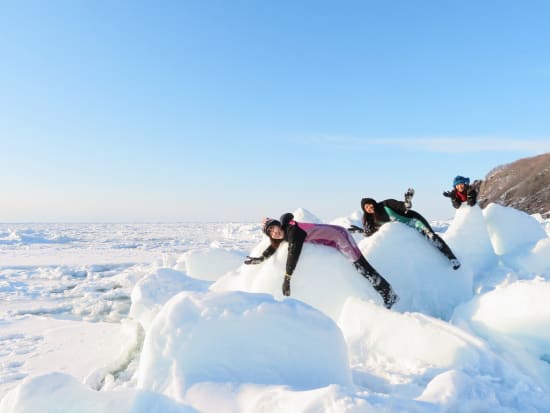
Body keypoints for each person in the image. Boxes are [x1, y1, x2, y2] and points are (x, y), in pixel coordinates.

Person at [244, 212, 399, 309]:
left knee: (362, 267)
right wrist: (260, 258)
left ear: (278, 224)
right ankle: (388, 293)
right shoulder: (284, 233)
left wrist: (287, 277)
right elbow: (273, 247)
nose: (274, 232)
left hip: (340, 237)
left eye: (273, 227)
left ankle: (389, 294)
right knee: (360, 267)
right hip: (332, 238)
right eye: (270, 232)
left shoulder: (293, 231)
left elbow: (294, 252)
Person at [352, 191, 461, 270]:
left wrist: (407, 202)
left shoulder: (386, 204)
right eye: (366, 207)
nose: (369, 207)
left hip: (414, 221)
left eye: (369, 204)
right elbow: (373, 233)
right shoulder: (373, 220)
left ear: (373, 202)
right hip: (404, 230)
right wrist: (360, 231)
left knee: (431, 237)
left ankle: (451, 258)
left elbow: (403, 206)